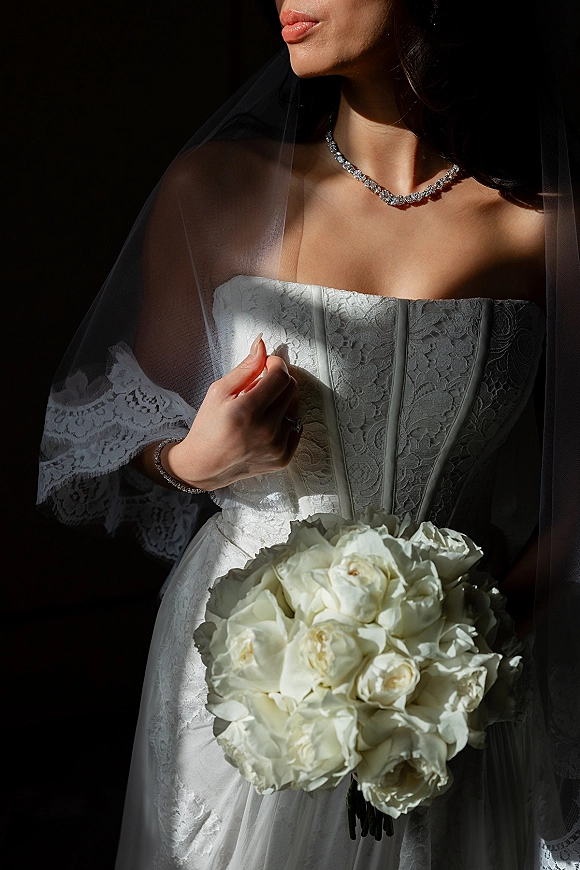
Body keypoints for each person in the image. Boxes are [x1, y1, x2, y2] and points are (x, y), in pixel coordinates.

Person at [37, 1, 580, 868]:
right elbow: (127, 427)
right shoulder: (217, 190)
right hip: (243, 665)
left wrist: (471, 634)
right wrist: (193, 462)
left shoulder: (544, 225)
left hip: (459, 686)